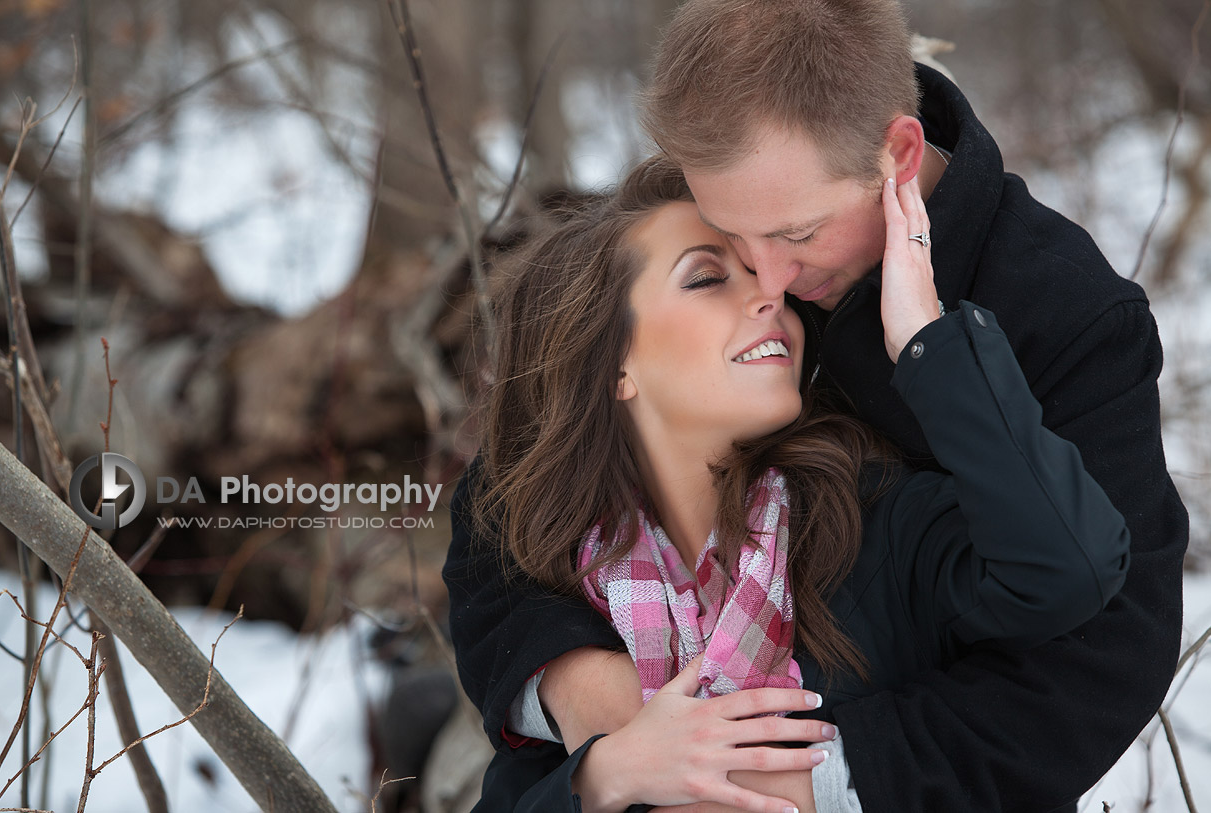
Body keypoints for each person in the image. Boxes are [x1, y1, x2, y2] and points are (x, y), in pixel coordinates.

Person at [445, 1, 1189, 810]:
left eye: (797, 234)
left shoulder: (1065, 312)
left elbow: (1100, 653)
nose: (768, 281)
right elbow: (527, 485)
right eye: (727, 241)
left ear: (897, 155)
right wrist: (608, 724)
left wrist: (788, 779)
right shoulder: (754, 203)